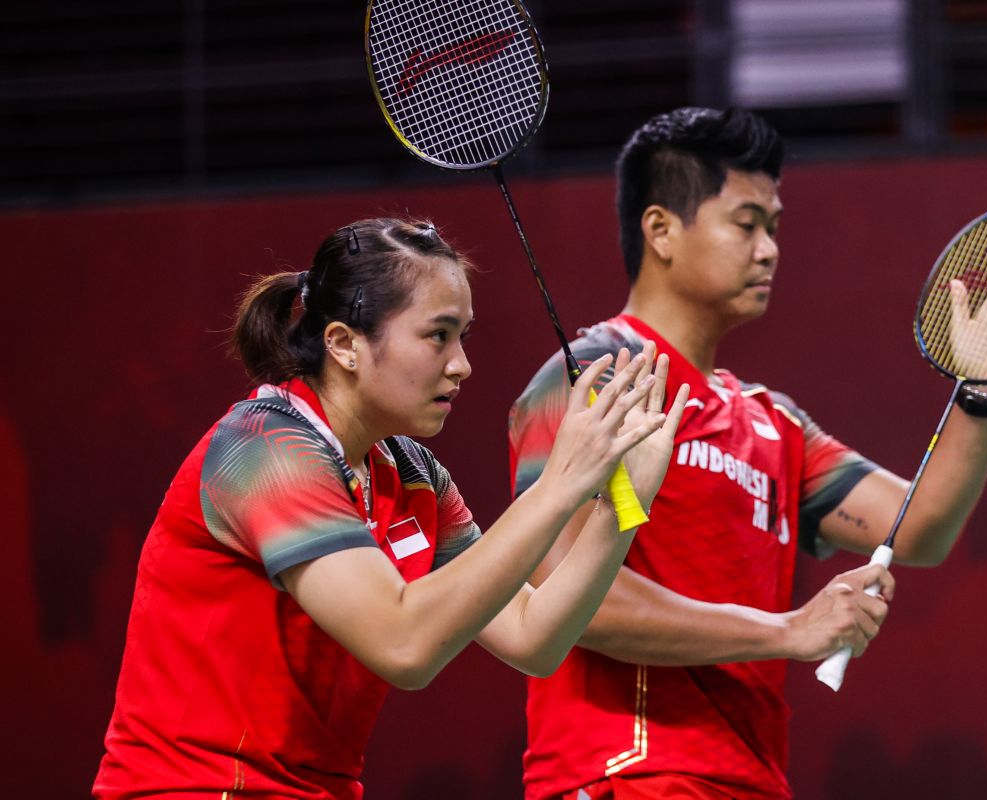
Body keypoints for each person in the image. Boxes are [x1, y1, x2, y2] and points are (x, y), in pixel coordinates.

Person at [509, 108, 987, 799]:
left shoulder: (773, 423)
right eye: (745, 224)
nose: (769, 249)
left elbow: (920, 529)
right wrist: (788, 629)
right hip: (627, 775)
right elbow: (564, 600)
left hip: (750, 781)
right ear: (661, 231)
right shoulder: (589, 375)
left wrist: (982, 393)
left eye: (773, 227)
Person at [94, 217, 688, 799]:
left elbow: (534, 639)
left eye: (464, 337)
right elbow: (402, 644)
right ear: (345, 345)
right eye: (438, 335)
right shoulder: (263, 449)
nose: (461, 364)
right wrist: (559, 485)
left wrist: (617, 509)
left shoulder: (410, 474)